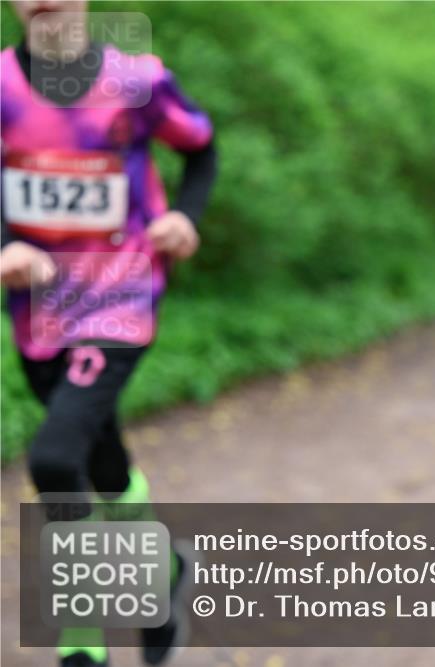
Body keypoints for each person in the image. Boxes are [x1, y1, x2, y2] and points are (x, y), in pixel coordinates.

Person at [1, 3, 217, 665]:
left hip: (121, 295)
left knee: (56, 458)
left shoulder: (137, 79)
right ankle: (163, 580)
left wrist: (184, 213)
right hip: (37, 311)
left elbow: (201, 146)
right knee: (99, 459)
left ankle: (81, 643)